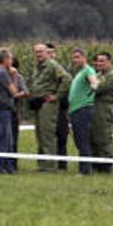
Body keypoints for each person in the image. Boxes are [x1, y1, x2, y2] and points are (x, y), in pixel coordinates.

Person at [29, 43, 71, 172]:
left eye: (41, 51)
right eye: (36, 52)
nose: (39, 54)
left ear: (47, 52)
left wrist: (57, 96)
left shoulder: (52, 65)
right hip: (38, 102)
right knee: (40, 134)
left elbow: (67, 79)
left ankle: (50, 165)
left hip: (48, 103)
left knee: (48, 134)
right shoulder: (37, 67)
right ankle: (42, 164)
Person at [0, 48, 24, 175]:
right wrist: (14, 75)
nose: (12, 61)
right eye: (10, 58)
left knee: (7, 140)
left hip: (3, 110)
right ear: (5, 60)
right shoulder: (1, 73)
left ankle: (8, 167)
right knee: (4, 140)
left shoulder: (0, 72)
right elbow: (14, 91)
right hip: (2, 110)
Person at [67, 48, 99, 176]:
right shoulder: (79, 72)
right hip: (75, 110)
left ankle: (85, 170)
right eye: (74, 57)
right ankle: (85, 167)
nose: (75, 60)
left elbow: (94, 82)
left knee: (82, 139)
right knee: (79, 139)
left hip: (83, 109)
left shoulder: (88, 70)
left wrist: (93, 87)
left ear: (84, 57)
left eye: (78, 57)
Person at [92, 52, 113, 174]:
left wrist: (91, 83)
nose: (99, 63)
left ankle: (106, 165)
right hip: (94, 107)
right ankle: (96, 164)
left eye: (102, 61)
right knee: (94, 135)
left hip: (104, 108)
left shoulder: (111, 76)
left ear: (109, 62)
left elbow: (98, 88)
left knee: (103, 136)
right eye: (98, 61)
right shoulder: (97, 74)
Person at [46, 42, 72, 170]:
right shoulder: (41, 69)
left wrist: (58, 96)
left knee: (62, 135)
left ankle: (62, 163)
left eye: (52, 52)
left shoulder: (60, 69)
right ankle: (48, 163)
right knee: (47, 136)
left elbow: (68, 82)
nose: (50, 55)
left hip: (60, 106)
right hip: (46, 107)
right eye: (47, 52)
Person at [10, 56, 30, 170]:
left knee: (13, 139)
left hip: (14, 112)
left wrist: (17, 95)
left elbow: (26, 92)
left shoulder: (19, 78)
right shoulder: (0, 75)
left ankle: (13, 164)